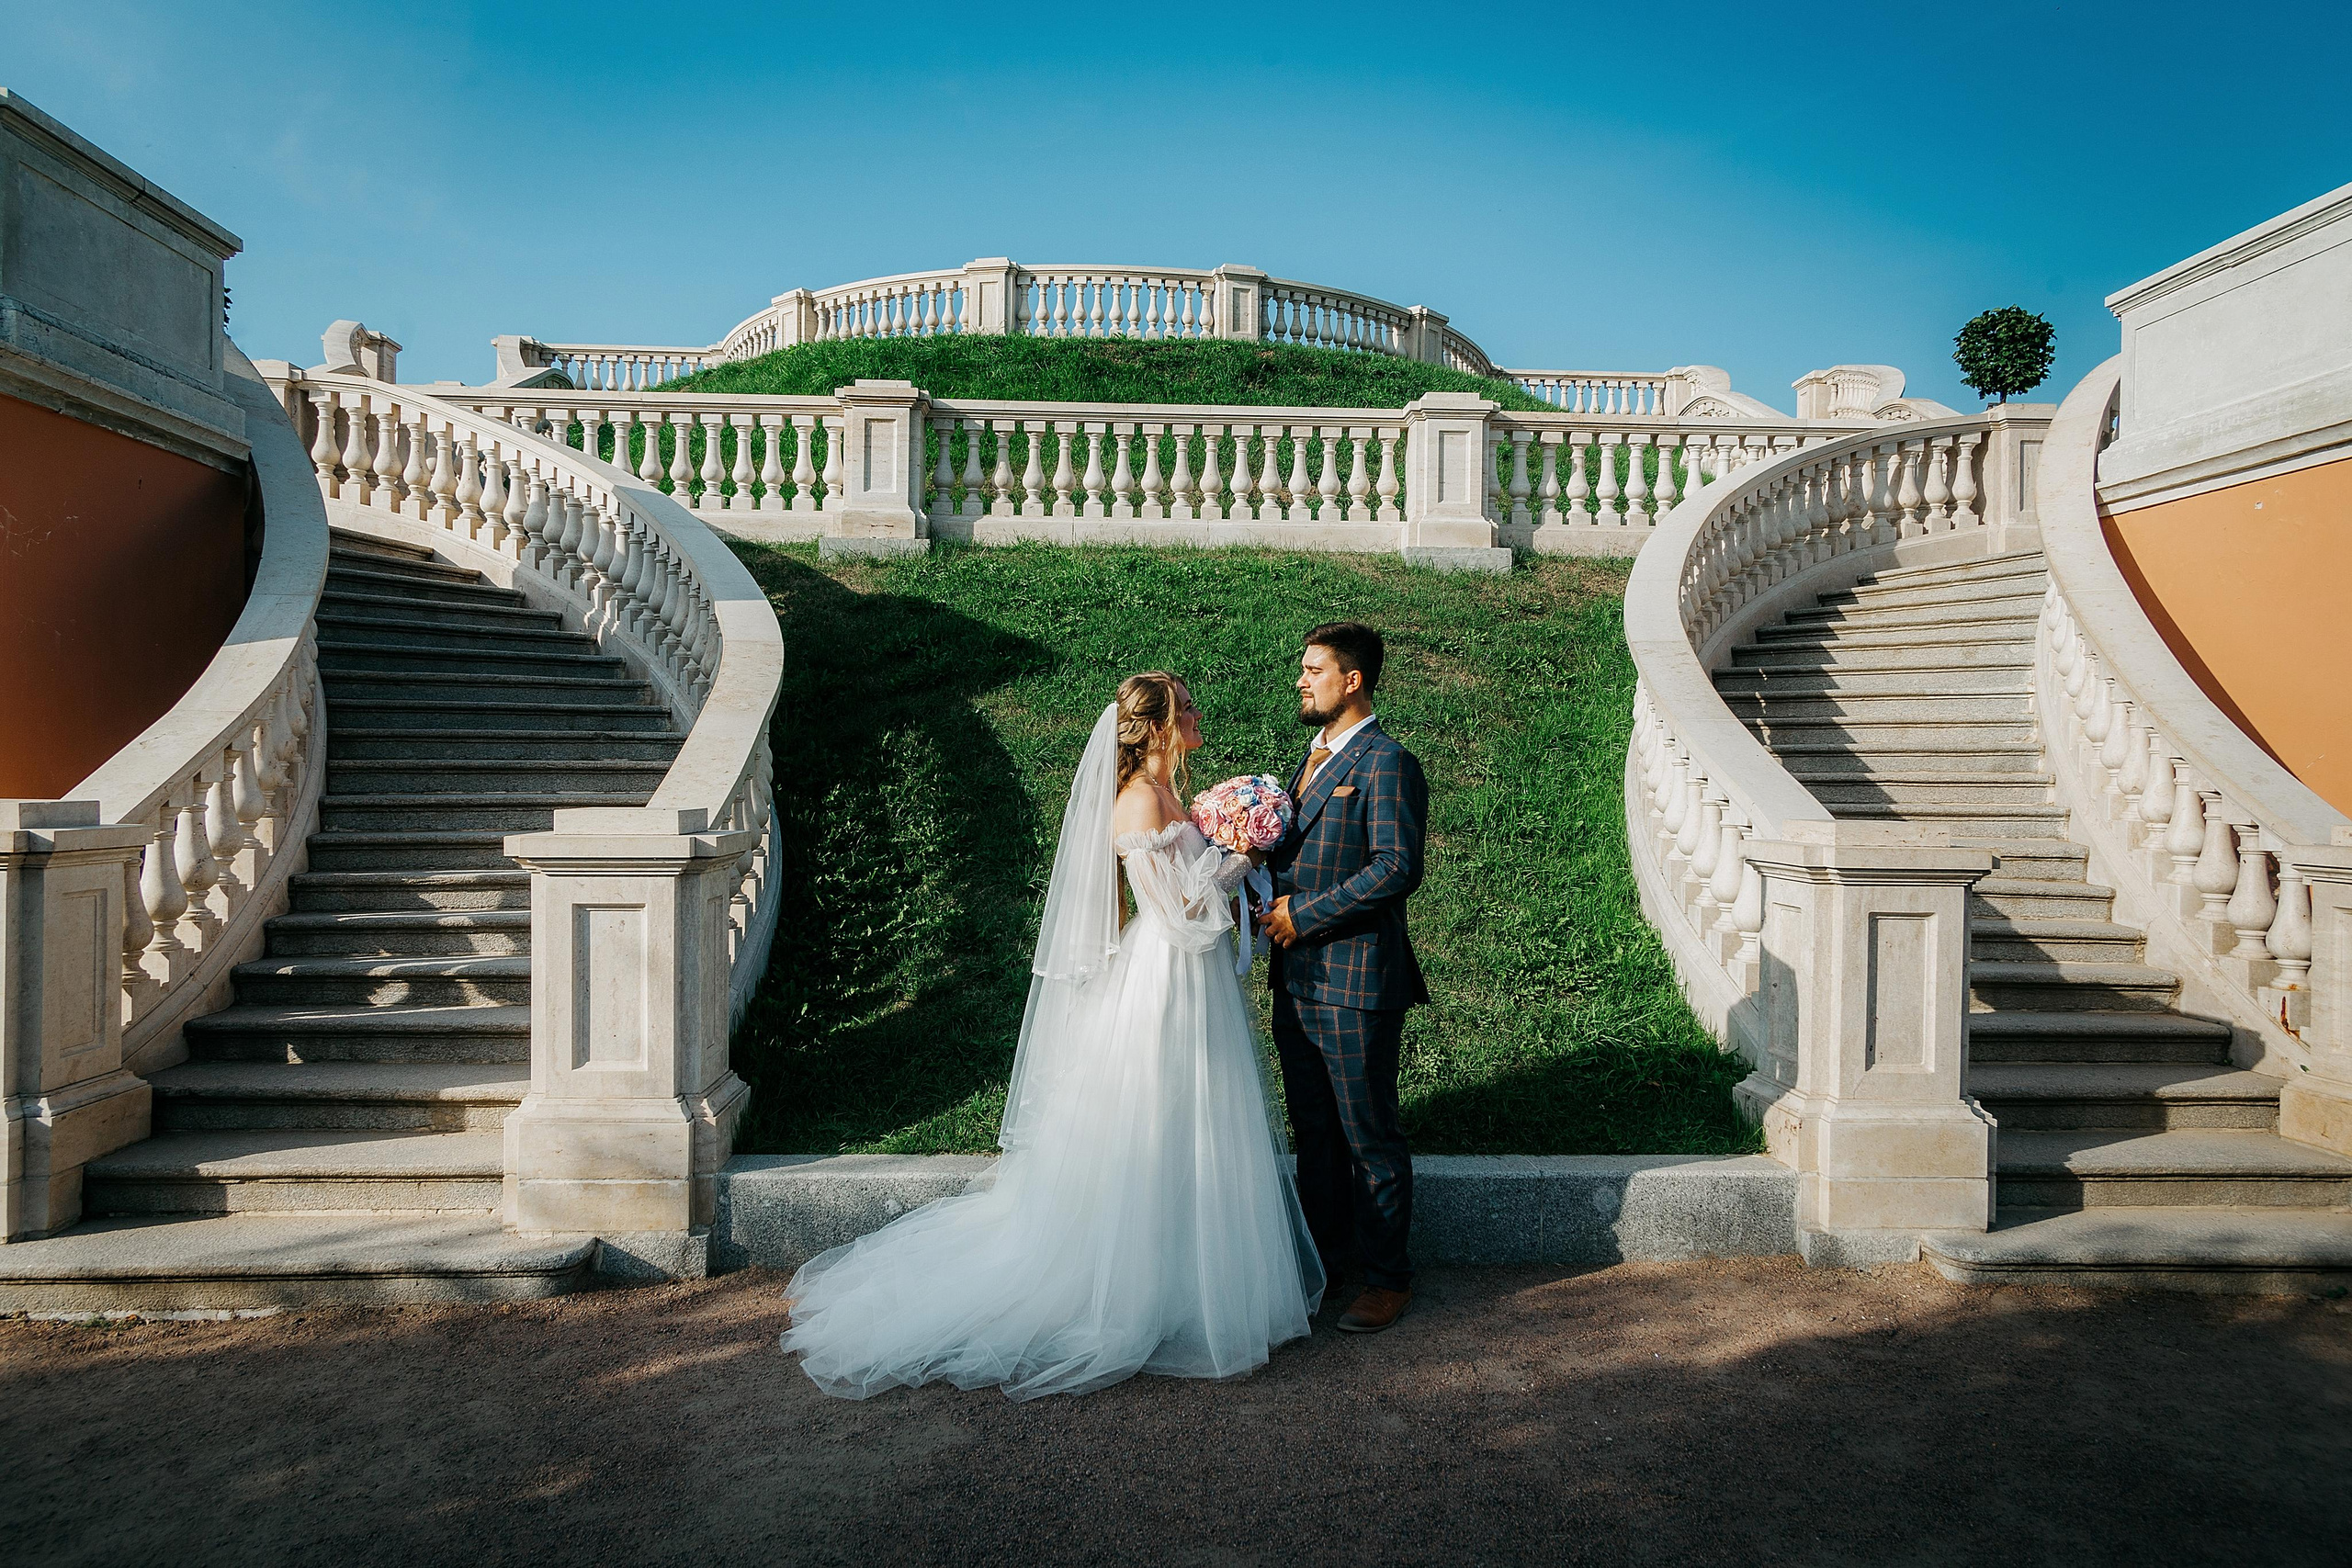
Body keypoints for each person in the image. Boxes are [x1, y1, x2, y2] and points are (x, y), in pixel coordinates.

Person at [779, 672, 1323, 1400]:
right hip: (1165, 978)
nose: (1197, 714)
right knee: (1159, 1122)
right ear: (1156, 725)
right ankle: (1137, 1295)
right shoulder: (1135, 800)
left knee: (1201, 1124)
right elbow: (1178, 909)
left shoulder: (1171, 797)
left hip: (1194, 980)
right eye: (1185, 706)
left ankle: (1191, 1285)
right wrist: (1243, 858)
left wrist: (1226, 840)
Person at [1259, 622, 1429, 1334]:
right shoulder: (1307, 759)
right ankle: (1325, 1267)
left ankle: (1386, 1279)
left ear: (1352, 679)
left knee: (1368, 1136)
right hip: (1295, 983)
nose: (1302, 679)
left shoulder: (1389, 762)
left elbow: (1397, 867)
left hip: (1357, 981)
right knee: (1315, 1136)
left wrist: (1307, 914)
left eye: (1314, 668)